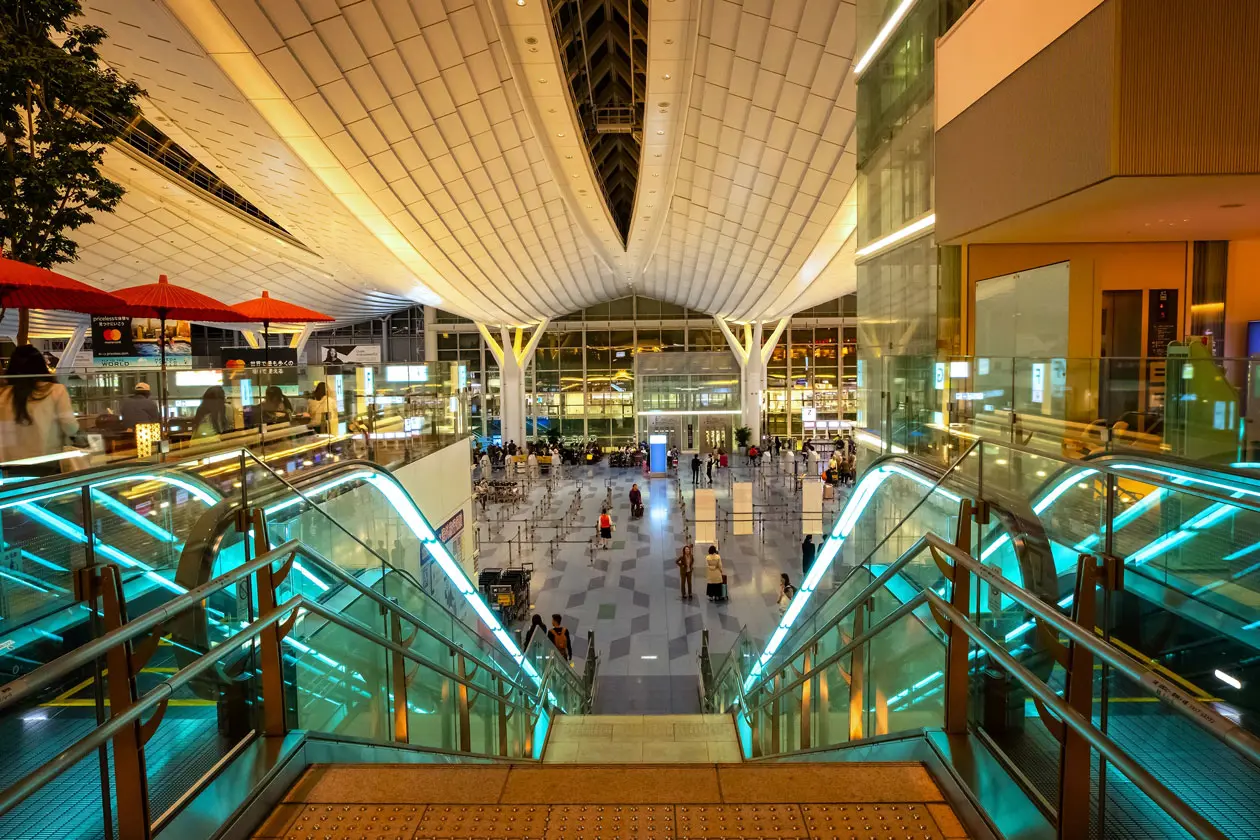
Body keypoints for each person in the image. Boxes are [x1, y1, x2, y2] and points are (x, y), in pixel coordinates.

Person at [0, 346, 80, 474]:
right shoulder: (56, 390)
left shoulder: (3, 394)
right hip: (47, 463)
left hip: (10, 466)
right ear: (41, 366)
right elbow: (70, 427)